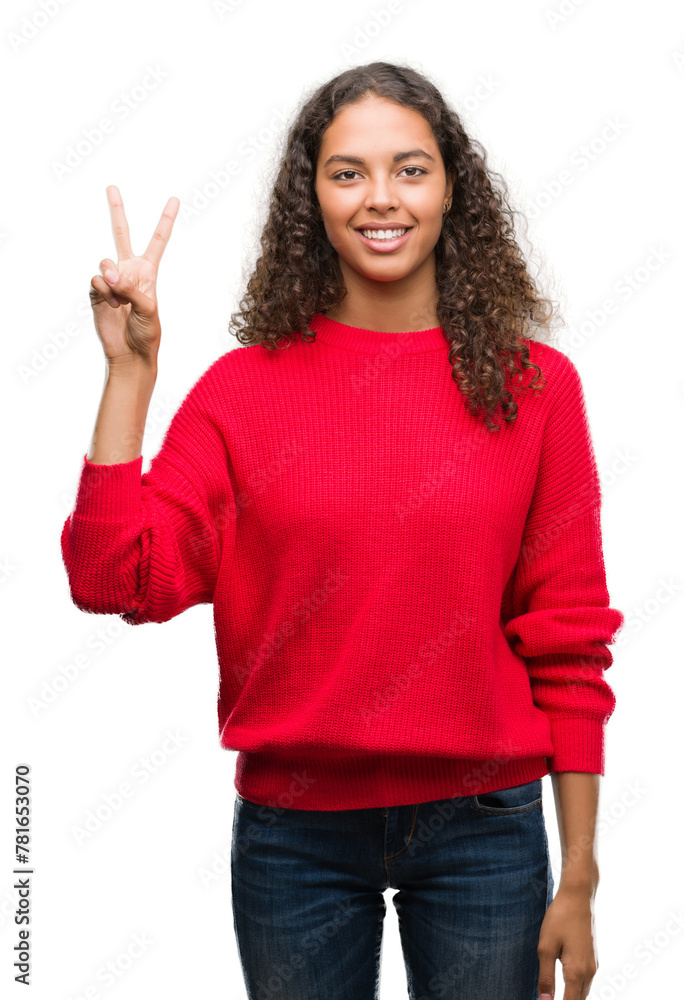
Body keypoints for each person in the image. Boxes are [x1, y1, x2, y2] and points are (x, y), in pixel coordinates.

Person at [61, 61, 624, 1000]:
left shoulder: (537, 389)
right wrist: (130, 376)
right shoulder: (242, 393)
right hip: (296, 832)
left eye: (410, 169)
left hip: (484, 828)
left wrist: (580, 874)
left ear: (453, 188)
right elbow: (115, 581)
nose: (380, 199)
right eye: (347, 172)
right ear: (310, 198)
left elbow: (570, 642)